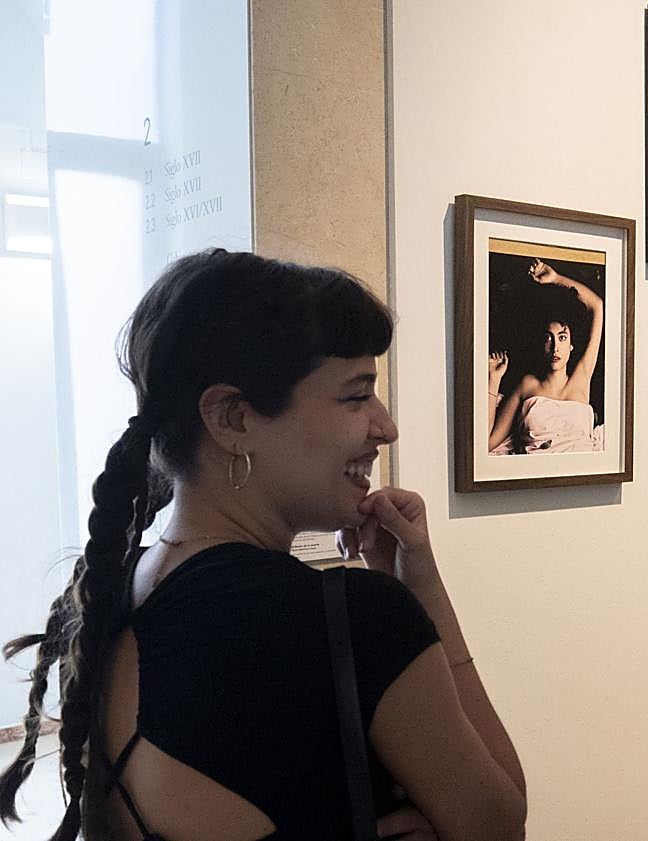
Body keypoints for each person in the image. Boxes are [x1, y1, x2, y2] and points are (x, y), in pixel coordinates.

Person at [0, 250, 526, 841]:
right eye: (357, 395)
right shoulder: (349, 620)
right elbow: (499, 821)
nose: (386, 425)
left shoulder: (114, 592)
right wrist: (421, 587)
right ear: (233, 419)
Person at [488, 258, 603, 455]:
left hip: (581, 475)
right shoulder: (527, 385)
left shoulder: (582, 378)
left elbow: (597, 306)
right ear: (541, 343)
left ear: (571, 345)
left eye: (562, 337)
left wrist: (556, 278)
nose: (556, 347)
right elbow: (487, 444)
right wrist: (493, 380)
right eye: (548, 338)